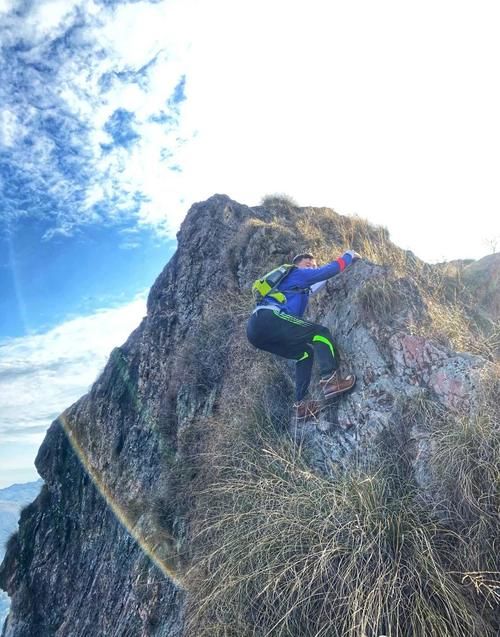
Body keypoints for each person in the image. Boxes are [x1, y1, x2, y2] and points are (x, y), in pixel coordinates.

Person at [246, 250, 360, 420]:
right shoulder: (297, 273)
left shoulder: (296, 286)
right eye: (309, 265)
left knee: (305, 354)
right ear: (298, 264)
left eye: (314, 266)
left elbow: (320, 280)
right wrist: (349, 256)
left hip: (256, 332)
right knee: (320, 333)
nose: (312, 269)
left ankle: (301, 406)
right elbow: (328, 271)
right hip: (269, 318)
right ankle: (331, 380)